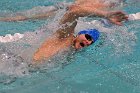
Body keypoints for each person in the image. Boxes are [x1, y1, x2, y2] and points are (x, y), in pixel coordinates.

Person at [0, 0, 128, 63]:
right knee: (21, 18)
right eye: (88, 36)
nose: (88, 41)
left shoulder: (71, 51)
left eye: (91, 41)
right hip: (14, 63)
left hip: (20, 68)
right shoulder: (65, 36)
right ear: (79, 33)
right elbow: (74, 12)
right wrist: (106, 14)